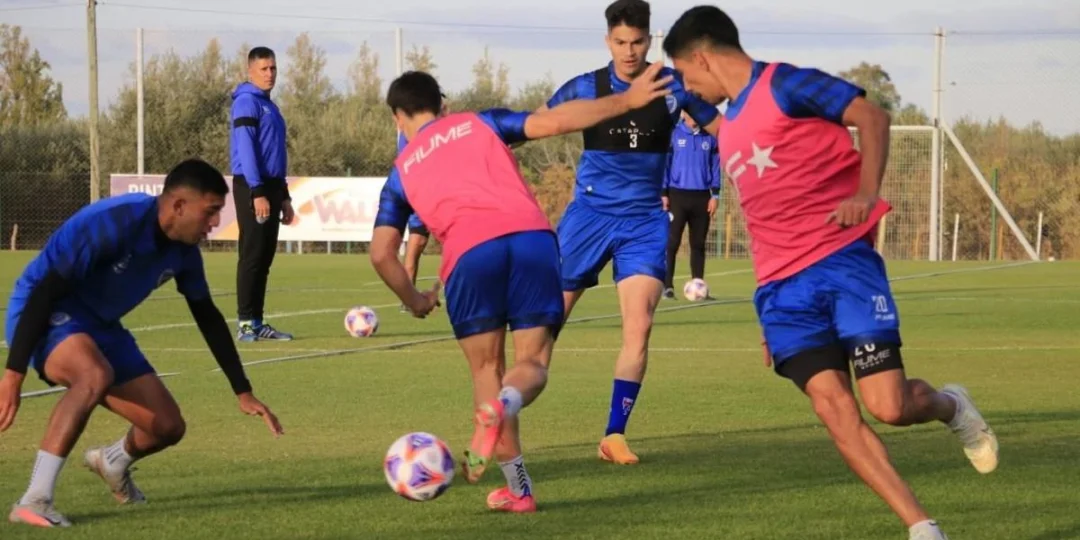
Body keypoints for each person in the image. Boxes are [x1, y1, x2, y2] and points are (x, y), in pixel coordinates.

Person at [662, 7, 998, 540]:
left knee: (889, 407)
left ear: (701, 57)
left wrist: (865, 194)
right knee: (834, 409)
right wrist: (766, 308)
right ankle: (922, 528)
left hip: (842, 265)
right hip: (781, 294)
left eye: (685, 73)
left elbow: (873, 118)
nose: (689, 85)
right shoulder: (729, 129)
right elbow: (761, 217)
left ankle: (951, 405)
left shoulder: (786, 84)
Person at [370, 67, 672, 513]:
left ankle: (519, 488)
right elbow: (555, 121)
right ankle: (506, 407)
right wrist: (625, 102)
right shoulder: (481, 122)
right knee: (532, 364)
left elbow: (381, 254)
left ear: (398, 118)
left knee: (486, 369)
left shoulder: (401, 173)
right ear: (443, 106)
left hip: (470, 253)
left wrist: (415, 300)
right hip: (533, 240)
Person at [0, 159, 283, 529]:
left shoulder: (184, 252)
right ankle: (34, 499)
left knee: (167, 426)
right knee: (93, 375)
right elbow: (45, 292)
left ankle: (113, 460)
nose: (215, 223)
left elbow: (207, 315)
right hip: (43, 310)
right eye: (211, 211)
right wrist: (13, 375)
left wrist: (242, 391)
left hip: (100, 325)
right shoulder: (113, 221)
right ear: (178, 206)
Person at [541, 0, 720, 464]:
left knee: (639, 326)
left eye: (637, 41)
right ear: (608, 41)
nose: (628, 51)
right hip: (588, 218)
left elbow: (725, 129)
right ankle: (501, 415)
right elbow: (533, 124)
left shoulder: (673, 86)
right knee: (543, 328)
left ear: (649, 39)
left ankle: (614, 435)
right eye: (620, 42)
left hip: (643, 222)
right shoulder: (586, 87)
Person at [230, 46, 294, 342]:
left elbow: (275, 154)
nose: (270, 74)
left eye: (273, 68)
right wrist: (257, 191)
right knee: (252, 255)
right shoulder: (246, 102)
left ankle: (257, 321)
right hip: (251, 185)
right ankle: (245, 323)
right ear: (250, 71)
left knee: (265, 257)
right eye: (264, 69)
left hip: (271, 186)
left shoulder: (271, 106)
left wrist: (284, 194)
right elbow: (246, 150)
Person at [662, 110, 720, 299]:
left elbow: (716, 166)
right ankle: (667, 286)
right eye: (690, 111)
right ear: (683, 114)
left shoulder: (709, 137)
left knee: (698, 244)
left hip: (702, 197)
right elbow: (665, 165)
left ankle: (699, 286)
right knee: (672, 242)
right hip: (677, 195)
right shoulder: (674, 134)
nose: (694, 115)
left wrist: (715, 195)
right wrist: (663, 193)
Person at [396, 131, 431, 313]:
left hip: (441, 198)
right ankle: (408, 300)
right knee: (412, 254)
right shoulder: (406, 134)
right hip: (419, 203)